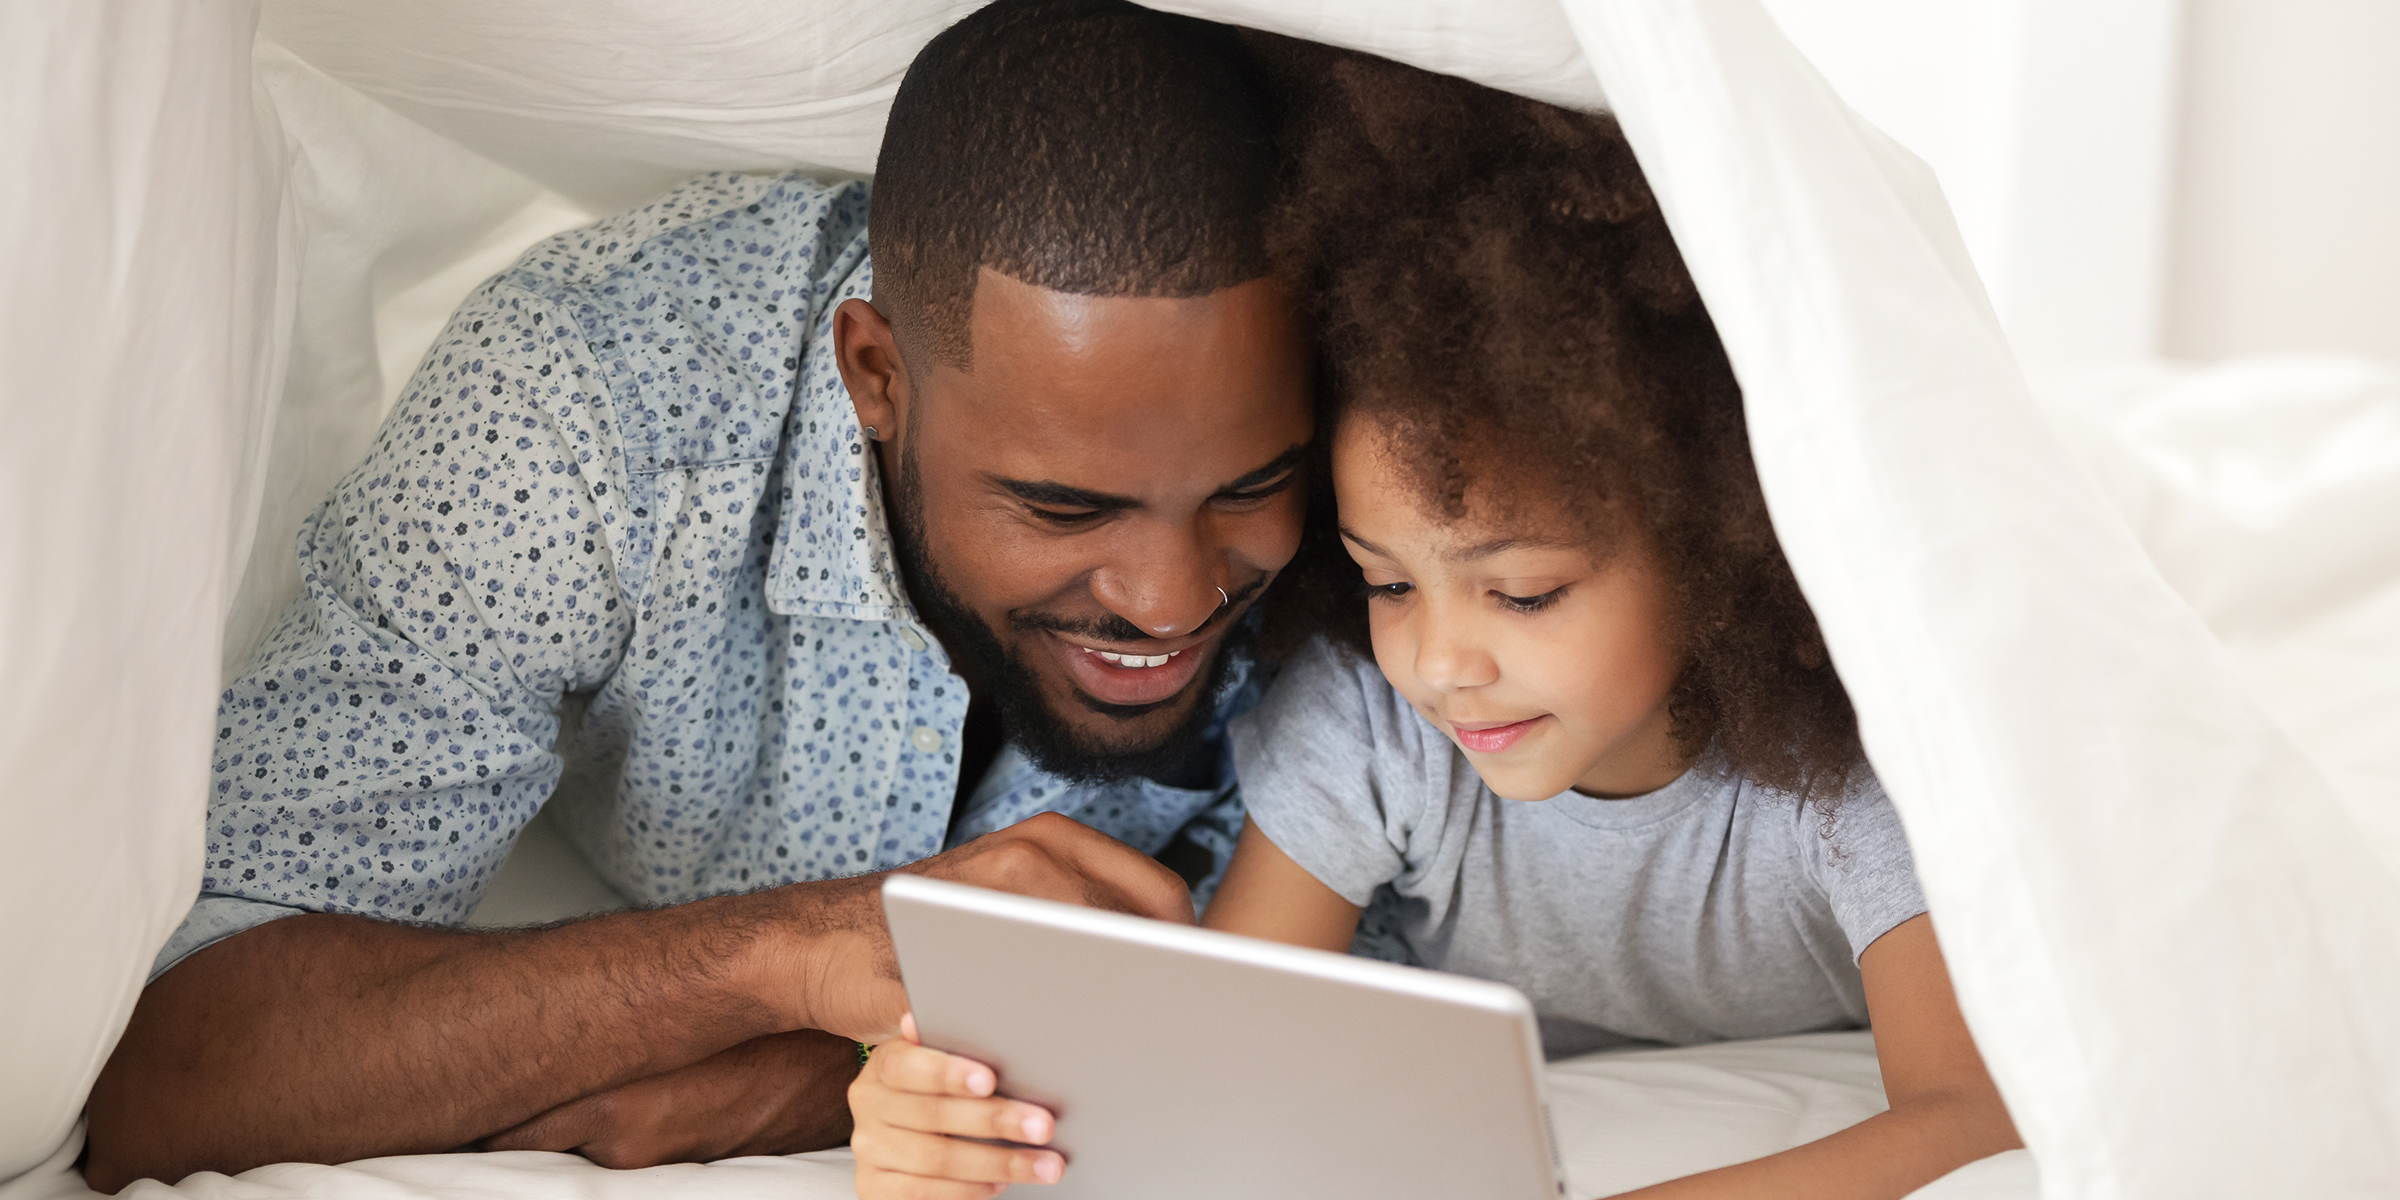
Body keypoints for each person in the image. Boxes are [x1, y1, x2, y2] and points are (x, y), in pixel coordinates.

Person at [81, 2, 1314, 1189]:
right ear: (876, 375)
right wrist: (785, 953)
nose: (1170, 601)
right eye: (1063, 507)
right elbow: (175, 1074)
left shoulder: (1392, 430)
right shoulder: (584, 412)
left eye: (1257, 482)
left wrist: (813, 1079)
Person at [846, 46, 2024, 1200]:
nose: (1441, 663)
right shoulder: (1374, 727)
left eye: (1524, 593)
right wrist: (941, 1121)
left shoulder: (1851, 781)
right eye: (1387, 582)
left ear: (1722, 538)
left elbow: (1975, 1113)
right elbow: (1217, 1050)